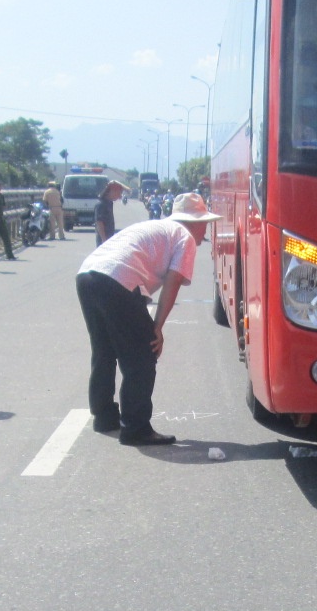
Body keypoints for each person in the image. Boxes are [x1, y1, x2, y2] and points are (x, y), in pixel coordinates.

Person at [75, 191, 221, 446]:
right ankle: (135, 428)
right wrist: (157, 328)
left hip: (88, 274)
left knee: (104, 350)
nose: (204, 232)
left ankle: (104, 416)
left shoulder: (156, 226)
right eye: (205, 224)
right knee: (143, 356)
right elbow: (172, 284)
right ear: (195, 223)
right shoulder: (184, 237)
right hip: (116, 279)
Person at [95, 179, 125, 245]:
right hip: (103, 241)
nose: (120, 196)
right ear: (112, 191)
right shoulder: (101, 204)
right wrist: (104, 239)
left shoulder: (109, 203)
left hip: (108, 239)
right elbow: (99, 222)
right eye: (119, 193)